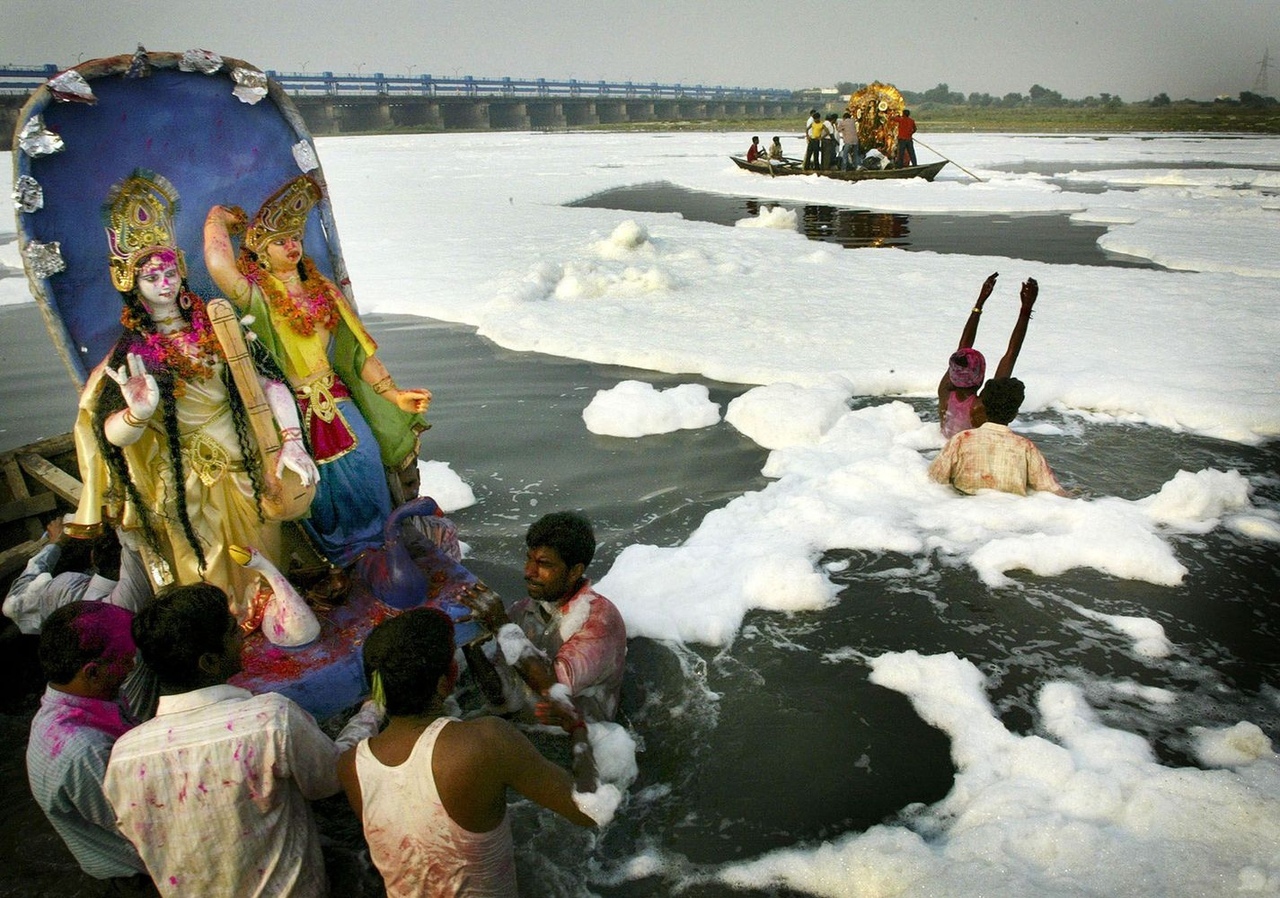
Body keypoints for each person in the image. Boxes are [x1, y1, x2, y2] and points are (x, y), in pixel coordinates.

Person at [71, 171, 319, 620]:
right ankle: (217, 630)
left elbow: (270, 381)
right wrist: (138, 413)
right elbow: (110, 434)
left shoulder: (219, 326)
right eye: (151, 276)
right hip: (181, 479)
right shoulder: (131, 354)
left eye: (168, 272)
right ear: (132, 283)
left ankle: (272, 614)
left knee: (265, 556)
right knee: (204, 569)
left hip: (245, 463)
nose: (163, 283)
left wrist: (291, 438)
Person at [204, 176, 431, 569]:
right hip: (293, 410)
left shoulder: (323, 291)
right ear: (259, 251)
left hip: (339, 398)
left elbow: (357, 354)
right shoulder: (257, 298)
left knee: (367, 462)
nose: (292, 246)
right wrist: (216, 221)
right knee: (318, 487)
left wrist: (394, 395)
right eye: (280, 240)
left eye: (295, 238)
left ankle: (382, 546)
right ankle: (341, 560)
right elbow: (219, 265)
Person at [102, 582, 382, 898]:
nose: (242, 639)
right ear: (208, 662)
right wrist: (370, 713)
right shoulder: (269, 720)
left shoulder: (123, 757)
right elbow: (330, 778)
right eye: (232, 632)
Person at [337, 608, 598, 898]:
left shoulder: (351, 765)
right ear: (446, 679)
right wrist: (578, 728)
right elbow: (588, 810)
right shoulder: (485, 742)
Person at [26, 600, 156, 895]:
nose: (133, 666)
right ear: (92, 672)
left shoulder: (98, 699)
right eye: (125, 659)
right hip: (137, 879)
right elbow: (142, 825)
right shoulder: (84, 750)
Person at [462, 511, 626, 724]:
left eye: (544, 564)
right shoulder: (523, 611)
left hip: (585, 736)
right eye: (528, 559)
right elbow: (499, 693)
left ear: (575, 571)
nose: (528, 572)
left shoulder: (598, 621)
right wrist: (471, 637)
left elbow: (556, 687)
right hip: (525, 726)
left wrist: (502, 625)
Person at [4, 517, 150, 636]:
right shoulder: (125, 599)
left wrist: (55, 543)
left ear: (93, 557)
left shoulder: (65, 589)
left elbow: (12, 606)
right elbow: (133, 544)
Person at [928, 377, 1070, 497]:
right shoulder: (1025, 447)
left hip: (965, 511)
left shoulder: (961, 439)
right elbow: (1052, 491)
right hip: (1007, 514)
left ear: (983, 406)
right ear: (1015, 414)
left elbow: (934, 480)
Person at [938, 273, 1038, 439]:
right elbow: (1010, 355)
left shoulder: (945, 393)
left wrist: (980, 302)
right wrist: (1025, 309)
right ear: (979, 376)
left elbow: (963, 348)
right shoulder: (981, 407)